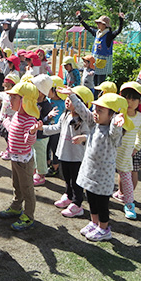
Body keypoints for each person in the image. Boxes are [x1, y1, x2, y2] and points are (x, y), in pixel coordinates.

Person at [75, 93, 132, 241]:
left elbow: (115, 131)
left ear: (112, 115)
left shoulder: (113, 134)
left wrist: (117, 120)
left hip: (102, 177)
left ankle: (104, 228)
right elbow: (83, 111)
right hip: (90, 171)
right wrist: (72, 96)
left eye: (100, 110)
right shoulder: (94, 125)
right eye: (95, 109)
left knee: (102, 204)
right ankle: (94, 224)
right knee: (91, 199)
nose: (95, 112)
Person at [38, 86, 93, 218]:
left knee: (76, 181)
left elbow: (90, 136)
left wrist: (83, 138)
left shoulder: (85, 120)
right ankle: (68, 195)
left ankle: (77, 203)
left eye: (72, 99)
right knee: (67, 178)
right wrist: (42, 128)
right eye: (67, 98)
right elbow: (57, 128)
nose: (67, 101)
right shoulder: (66, 114)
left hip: (76, 157)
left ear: (82, 105)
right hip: (64, 154)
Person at [0, 80, 40, 231]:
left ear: (25, 101)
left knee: (27, 188)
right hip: (15, 158)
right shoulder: (17, 115)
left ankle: (28, 216)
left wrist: (32, 132)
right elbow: (13, 129)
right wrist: (5, 122)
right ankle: (16, 207)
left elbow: (28, 142)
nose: (10, 100)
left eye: (14, 98)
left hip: (24, 161)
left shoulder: (29, 119)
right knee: (17, 185)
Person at [113, 82, 141, 220]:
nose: (129, 102)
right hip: (110, 151)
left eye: (133, 99)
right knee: (104, 175)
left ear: (140, 101)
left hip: (126, 153)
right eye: (126, 98)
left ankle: (129, 205)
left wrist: (136, 147)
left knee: (127, 179)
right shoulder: (116, 113)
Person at [76, 11, 125, 87]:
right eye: (97, 23)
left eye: (99, 23)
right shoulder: (97, 33)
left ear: (105, 25)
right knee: (93, 82)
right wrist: (79, 18)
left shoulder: (109, 35)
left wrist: (121, 20)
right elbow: (88, 28)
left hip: (103, 62)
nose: (98, 24)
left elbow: (118, 30)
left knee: (100, 84)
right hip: (94, 62)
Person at [0, 72, 20, 160]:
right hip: (3, 120)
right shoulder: (5, 95)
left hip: (11, 122)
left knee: (9, 137)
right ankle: (8, 150)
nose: (6, 89)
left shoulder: (16, 97)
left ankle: (11, 152)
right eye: (5, 86)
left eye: (8, 86)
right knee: (5, 137)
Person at [31, 75, 54, 186]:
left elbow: (45, 122)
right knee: (34, 152)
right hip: (34, 133)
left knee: (40, 154)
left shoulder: (46, 105)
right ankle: (36, 170)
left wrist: (47, 118)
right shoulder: (34, 101)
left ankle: (41, 174)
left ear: (40, 91)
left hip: (41, 135)